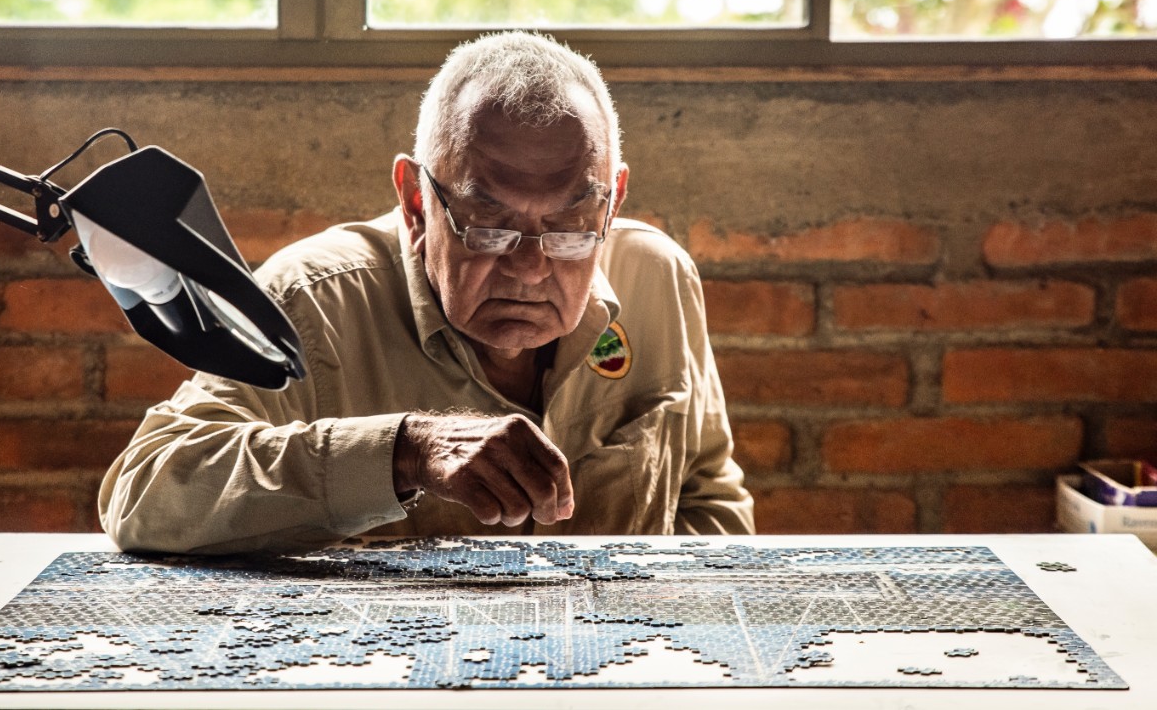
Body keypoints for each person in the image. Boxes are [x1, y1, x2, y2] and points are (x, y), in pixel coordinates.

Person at [99, 31, 754, 554]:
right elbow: (146, 488)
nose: (529, 268)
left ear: (612, 206)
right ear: (416, 202)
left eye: (570, 226)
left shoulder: (658, 280)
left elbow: (708, 495)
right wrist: (403, 451)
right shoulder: (314, 301)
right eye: (489, 224)